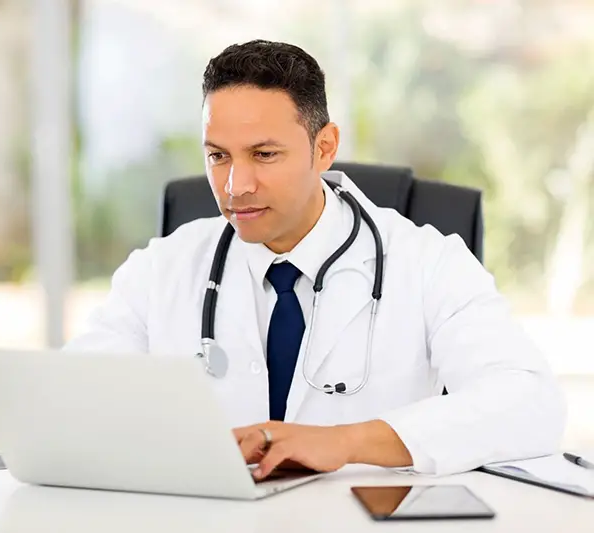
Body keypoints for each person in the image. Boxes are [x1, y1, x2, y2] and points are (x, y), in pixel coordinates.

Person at [62, 40, 566, 480]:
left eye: (264, 155)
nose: (236, 187)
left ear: (324, 148)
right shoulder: (161, 269)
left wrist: (343, 441)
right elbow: (73, 401)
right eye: (218, 156)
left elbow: (530, 404)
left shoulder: (427, 262)